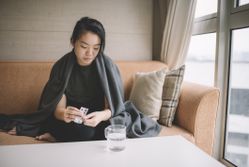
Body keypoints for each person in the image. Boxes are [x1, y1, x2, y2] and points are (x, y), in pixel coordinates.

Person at [1, 17, 161, 142]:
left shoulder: (107, 66)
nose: (90, 53)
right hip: (72, 118)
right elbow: (57, 109)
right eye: (84, 47)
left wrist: (100, 116)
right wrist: (64, 113)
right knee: (82, 131)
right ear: (73, 42)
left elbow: (113, 107)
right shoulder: (61, 67)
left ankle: (58, 136)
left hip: (100, 116)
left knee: (113, 128)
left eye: (96, 48)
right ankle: (58, 134)